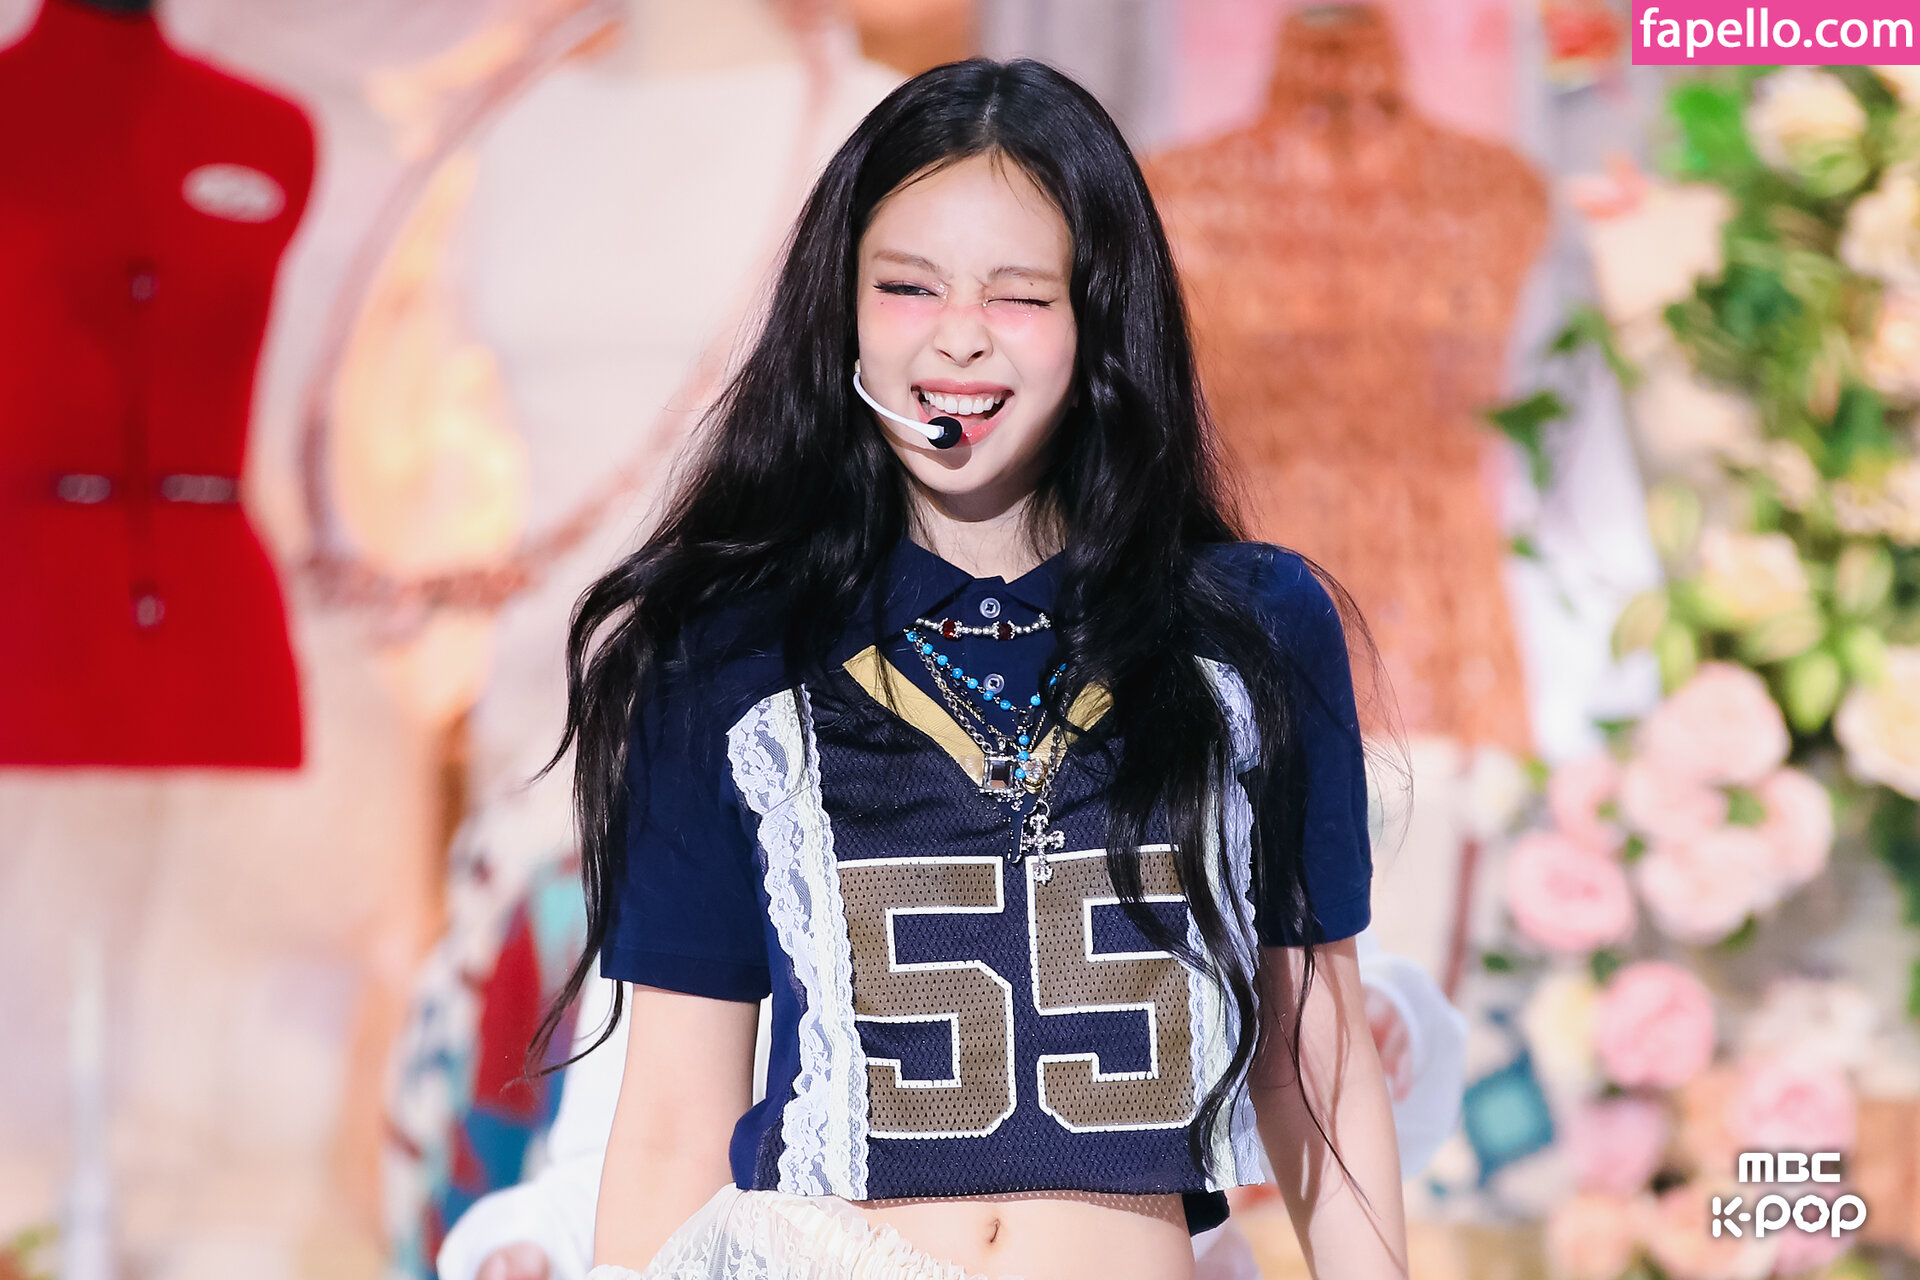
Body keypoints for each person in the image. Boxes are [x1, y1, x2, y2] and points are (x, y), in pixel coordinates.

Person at [539, 57, 1412, 1280]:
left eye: (1018, 294)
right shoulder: (722, 650)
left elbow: (1315, 1059)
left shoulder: (1252, 628)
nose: (957, 334)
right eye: (907, 286)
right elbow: (676, 1118)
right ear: (841, 309)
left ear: (1099, 316)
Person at [439, 932, 1466, 1280]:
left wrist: (1387, 1025)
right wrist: (524, 1241)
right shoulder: (733, 772)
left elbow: (1332, 1065)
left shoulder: (1152, 726)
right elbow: (643, 1150)